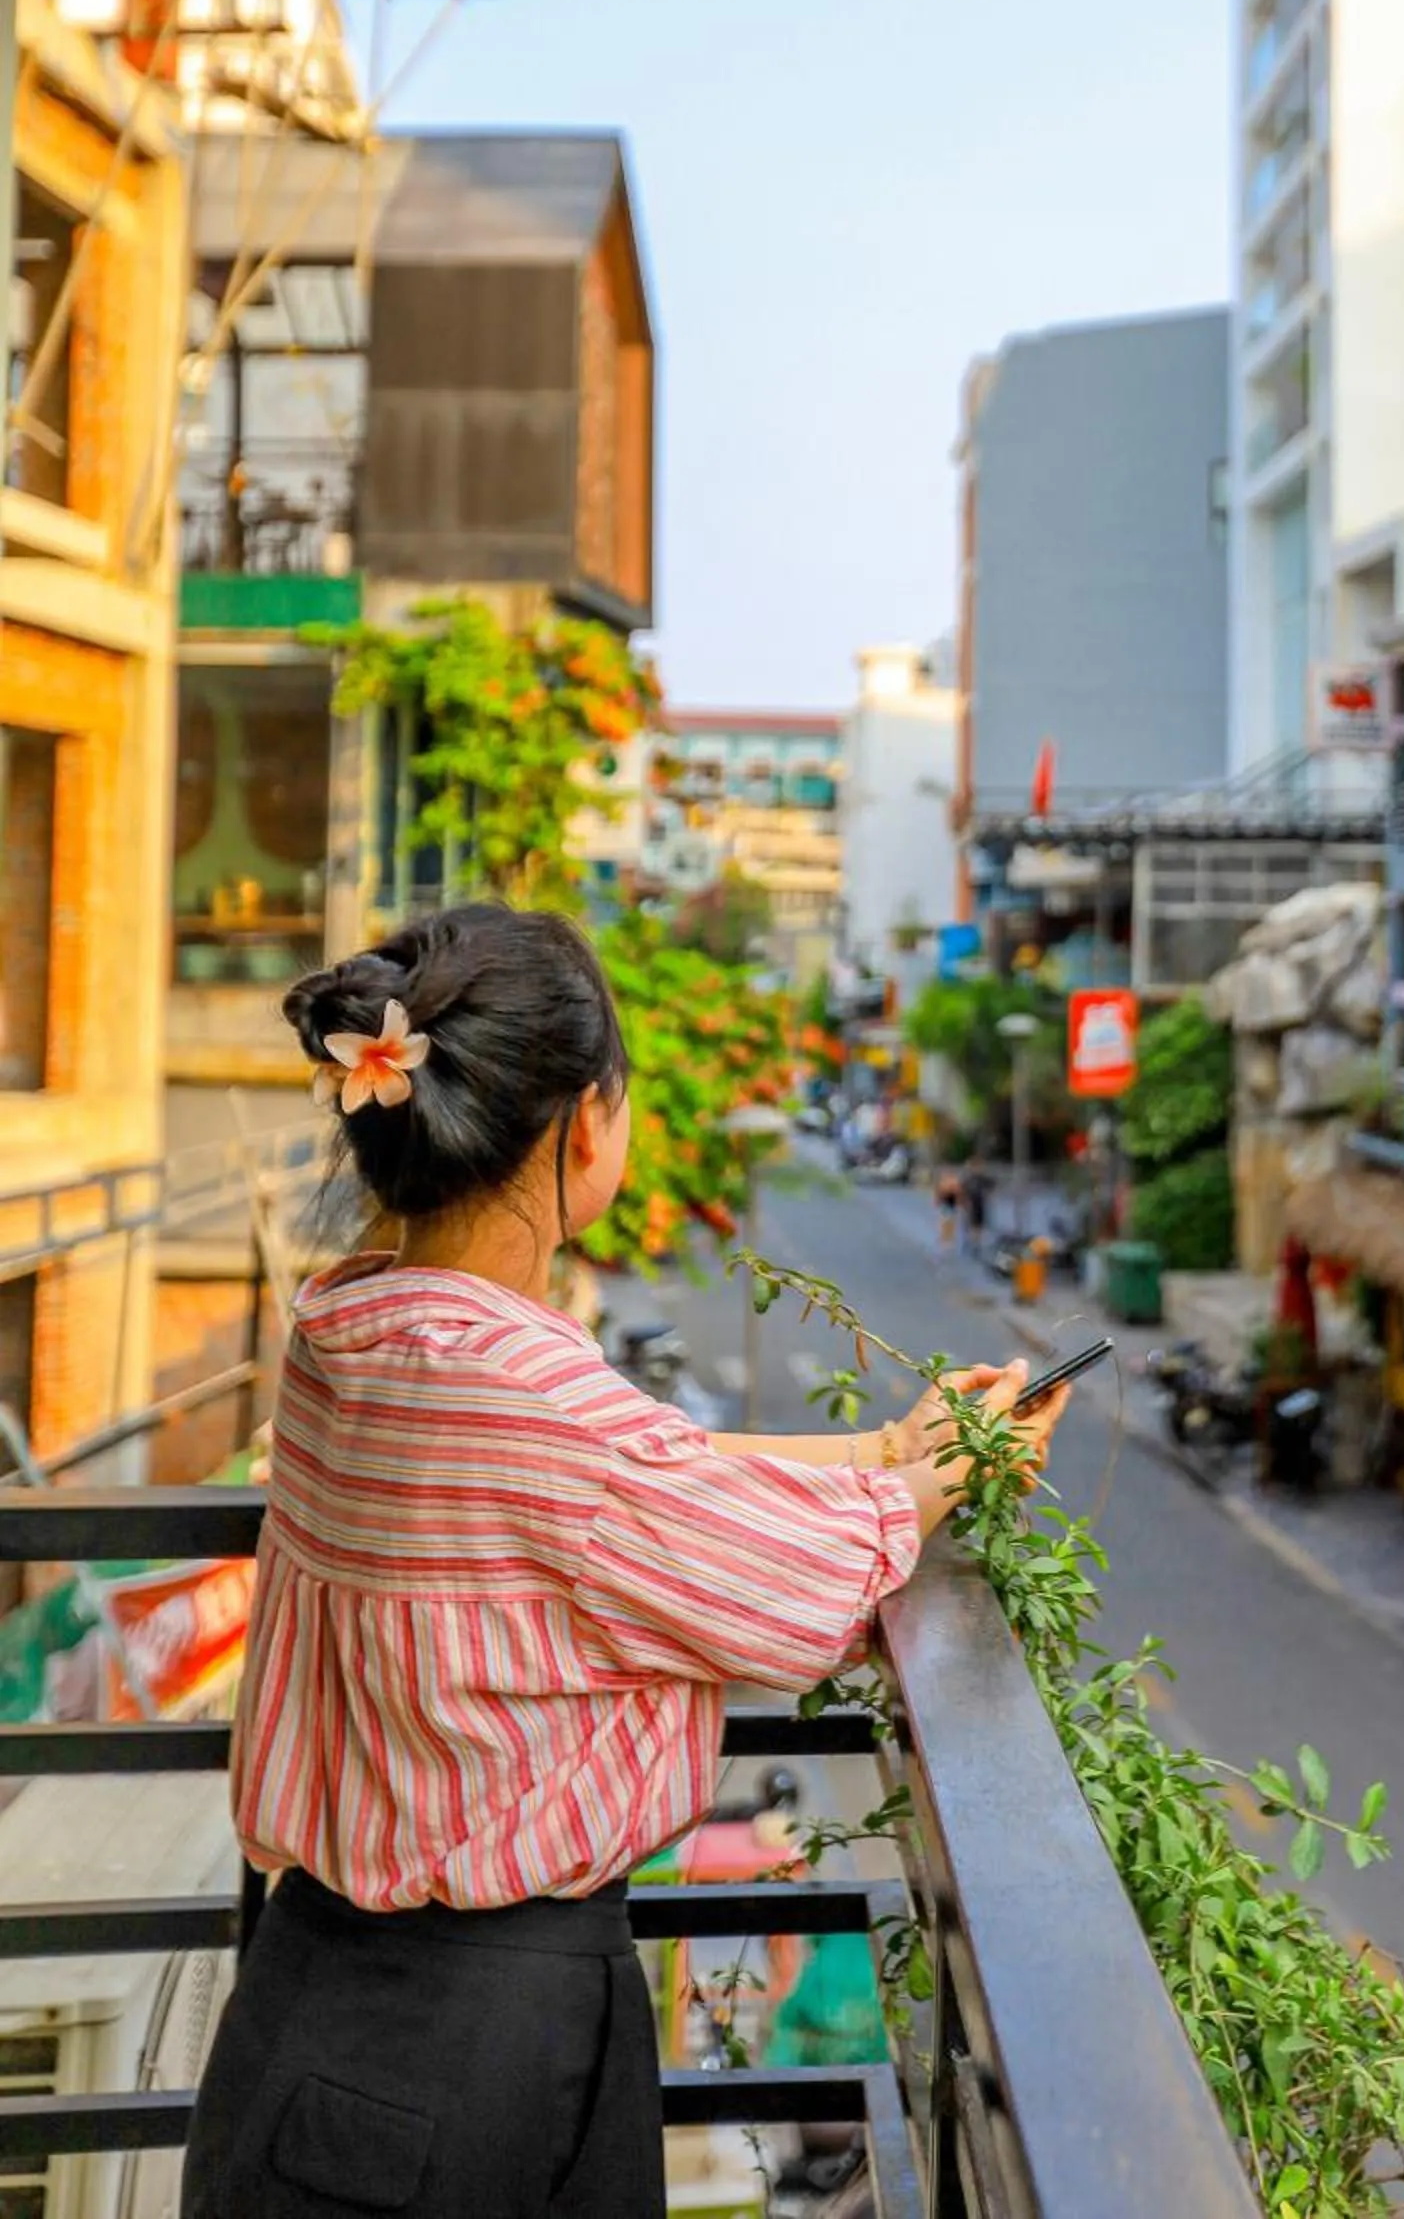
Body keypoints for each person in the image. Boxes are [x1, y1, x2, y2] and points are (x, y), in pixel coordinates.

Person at [181, 904, 1065, 2219]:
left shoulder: (352, 1330)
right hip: (462, 2056)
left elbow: (644, 1474)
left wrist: (893, 1445)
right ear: (582, 1129)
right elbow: (770, 1575)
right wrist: (943, 1471)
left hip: (312, 2002)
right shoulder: (527, 1398)